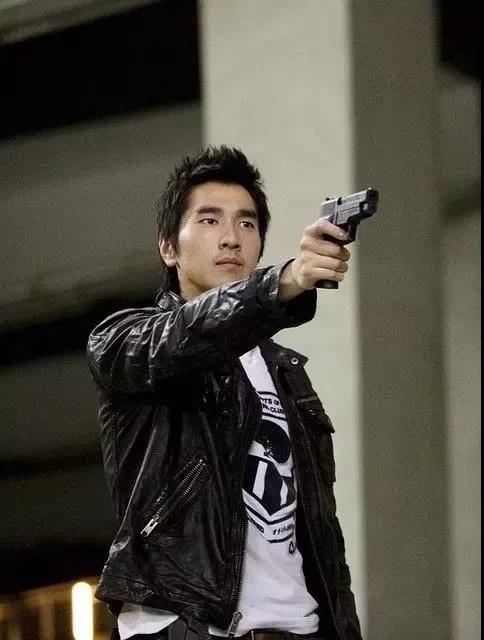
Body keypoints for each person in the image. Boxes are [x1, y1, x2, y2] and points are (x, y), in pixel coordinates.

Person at [86, 146, 362, 640]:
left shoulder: (286, 374)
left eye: (247, 224)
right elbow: (188, 334)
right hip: (188, 625)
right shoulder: (125, 341)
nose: (232, 237)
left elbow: (322, 538)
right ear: (168, 248)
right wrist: (286, 281)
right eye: (210, 221)